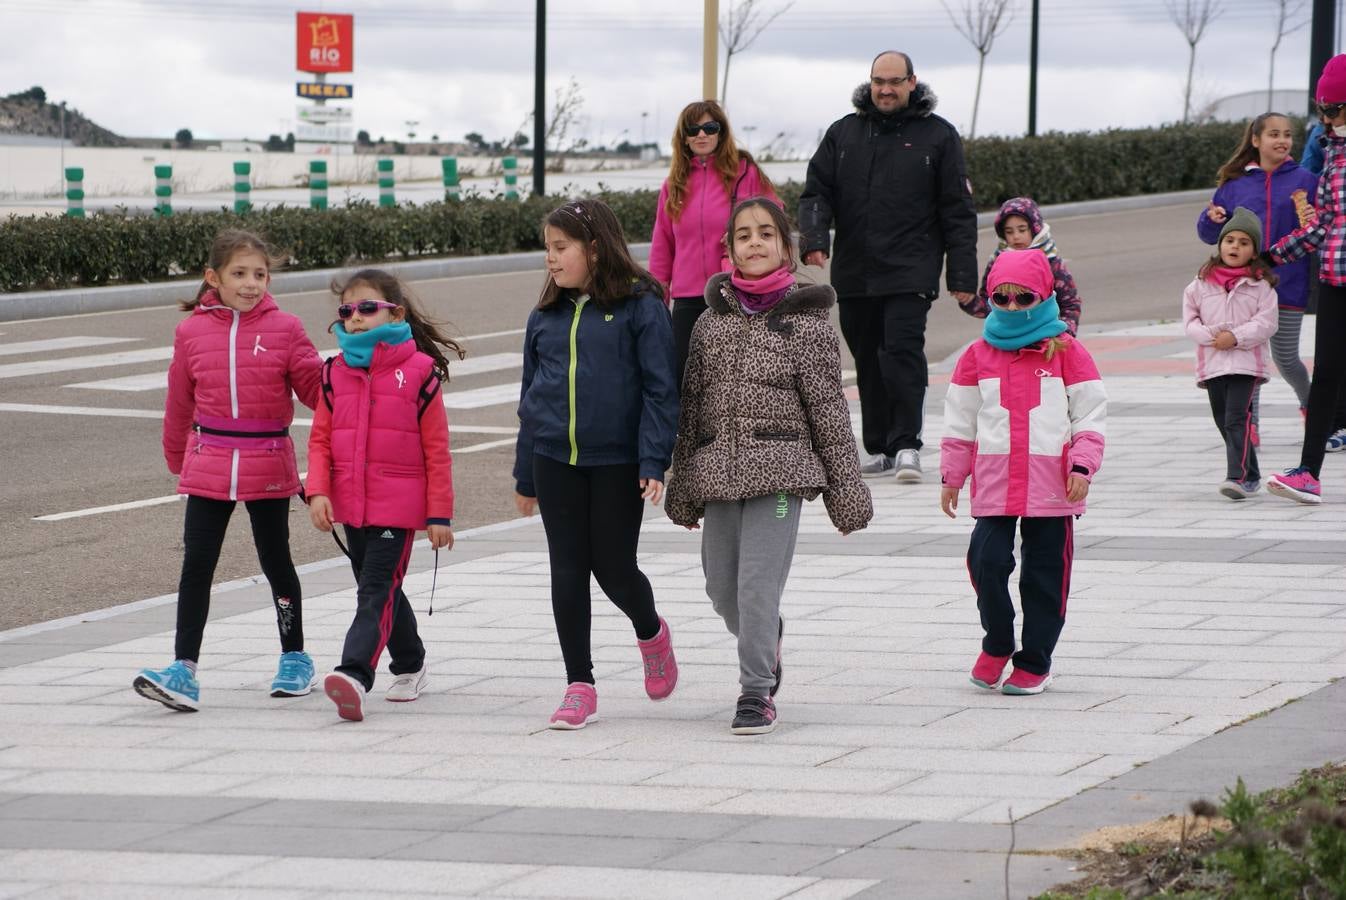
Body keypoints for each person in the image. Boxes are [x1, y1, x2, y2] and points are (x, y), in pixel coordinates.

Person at [666, 198, 873, 735]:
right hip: (718, 473)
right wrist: (683, 488)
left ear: (785, 245)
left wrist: (845, 493)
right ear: (729, 249)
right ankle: (768, 637)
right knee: (721, 589)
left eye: (765, 234)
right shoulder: (710, 324)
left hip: (781, 472)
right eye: (742, 236)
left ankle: (756, 691)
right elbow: (692, 409)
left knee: (757, 586)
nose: (754, 243)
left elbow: (828, 410)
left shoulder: (808, 324)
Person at [134, 229, 322, 712]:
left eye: (260, 274)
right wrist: (179, 459)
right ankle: (184, 670)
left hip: (268, 461)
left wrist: (357, 379)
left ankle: (295, 656)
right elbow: (179, 402)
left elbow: (318, 394)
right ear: (213, 278)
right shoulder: (191, 332)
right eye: (239, 274)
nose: (251, 283)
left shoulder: (286, 328)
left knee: (276, 559)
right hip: (209, 461)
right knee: (197, 565)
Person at [513, 198, 680, 730]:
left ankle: (651, 631)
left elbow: (660, 389)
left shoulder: (641, 305)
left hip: (618, 461)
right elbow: (530, 399)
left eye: (560, 248)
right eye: (548, 249)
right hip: (553, 459)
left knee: (612, 567)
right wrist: (524, 473)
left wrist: (653, 458)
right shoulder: (545, 316)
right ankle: (579, 684)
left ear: (595, 246)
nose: (552, 260)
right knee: (566, 568)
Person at [799, 49, 979, 484]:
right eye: (879, 80)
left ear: (912, 83)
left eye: (895, 81)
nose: (885, 89)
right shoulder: (844, 134)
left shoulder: (938, 136)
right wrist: (815, 238)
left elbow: (957, 210)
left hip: (910, 269)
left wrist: (962, 277)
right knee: (868, 358)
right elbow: (815, 192)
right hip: (856, 271)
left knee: (901, 353)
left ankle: (907, 444)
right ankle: (879, 446)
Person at [939, 250, 1106, 696]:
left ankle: (1035, 659)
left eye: (1023, 298)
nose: (1012, 307)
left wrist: (1083, 464)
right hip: (995, 481)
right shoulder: (976, 355)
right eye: (1002, 298)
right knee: (985, 561)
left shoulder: (1068, 351)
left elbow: (1090, 416)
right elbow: (960, 420)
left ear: (1045, 296)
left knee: (1045, 575)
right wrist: (953, 475)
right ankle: (997, 642)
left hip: (1053, 484)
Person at [307, 269, 462, 722]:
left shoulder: (418, 373)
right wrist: (318, 491)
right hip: (352, 505)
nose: (355, 318)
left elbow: (437, 450)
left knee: (374, 590)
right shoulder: (334, 372)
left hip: (398, 507)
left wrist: (440, 515)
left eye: (366, 308)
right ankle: (411, 664)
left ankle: (354, 673)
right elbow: (319, 439)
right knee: (382, 590)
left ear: (395, 312)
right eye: (347, 311)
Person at [1198, 113, 1318, 441]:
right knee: (1247, 359)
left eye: (1287, 135)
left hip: (1289, 286)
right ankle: (1249, 425)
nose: (1282, 140)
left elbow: (1316, 230)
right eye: (1273, 134)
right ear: (1256, 140)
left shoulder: (1306, 181)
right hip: (1242, 289)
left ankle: (1312, 407)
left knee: (1286, 358)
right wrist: (1211, 220)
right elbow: (1210, 233)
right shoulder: (1234, 185)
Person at [649, 100, 779, 386]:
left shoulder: (746, 173)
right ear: (683, 137)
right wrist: (657, 294)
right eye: (693, 129)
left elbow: (776, 220)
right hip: (688, 298)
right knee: (686, 379)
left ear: (721, 132)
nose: (701, 135)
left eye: (710, 127)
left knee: (735, 378)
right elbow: (663, 243)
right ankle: (690, 433)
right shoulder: (673, 185)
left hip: (737, 291)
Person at [1264, 54, 1346, 504]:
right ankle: (1309, 473)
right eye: (1322, 110)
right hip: (1335, 279)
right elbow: (1322, 225)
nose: (1326, 120)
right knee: (1327, 373)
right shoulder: (1333, 154)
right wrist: (1270, 257)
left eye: (1334, 110)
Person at [1184, 209, 1280, 500]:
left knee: (1236, 419)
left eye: (1243, 242)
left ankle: (1235, 477)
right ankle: (1251, 475)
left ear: (1253, 251)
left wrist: (1235, 337)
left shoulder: (1261, 286)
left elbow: (1266, 323)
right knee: (1222, 418)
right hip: (1212, 364)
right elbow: (1190, 321)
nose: (1234, 247)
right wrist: (1214, 338)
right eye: (1230, 240)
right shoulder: (1200, 284)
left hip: (1246, 365)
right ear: (1220, 245)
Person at [959, 196, 1082, 335]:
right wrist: (970, 301)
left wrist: (1064, 334)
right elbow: (990, 306)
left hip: (1046, 339)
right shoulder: (998, 262)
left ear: (1035, 229)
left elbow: (1070, 304)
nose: (1016, 236)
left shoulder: (1051, 262)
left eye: (1022, 230)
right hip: (1009, 339)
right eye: (1009, 232)